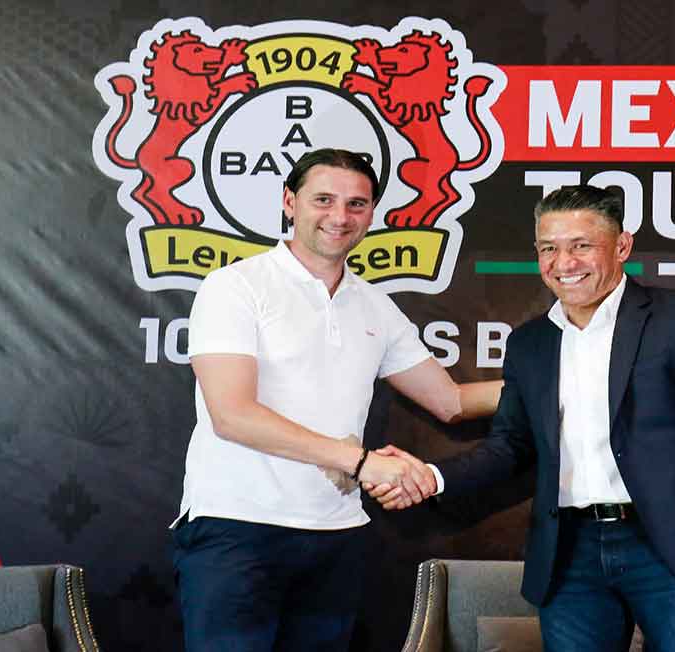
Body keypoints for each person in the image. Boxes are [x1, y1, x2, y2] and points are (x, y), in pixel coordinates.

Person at [367, 185, 675, 651]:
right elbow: (510, 447)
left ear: (622, 247)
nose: (564, 263)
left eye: (581, 245)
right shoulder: (530, 344)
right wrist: (430, 477)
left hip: (673, 550)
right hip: (568, 554)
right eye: (549, 249)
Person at [170, 148, 501, 652]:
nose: (339, 217)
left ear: (371, 214)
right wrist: (361, 462)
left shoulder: (374, 305)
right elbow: (232, 415)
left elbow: (450, 400)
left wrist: (569, 379)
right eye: (323, 199)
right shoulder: (235, 286)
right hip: (236, 531)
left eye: (356, 204)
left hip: (337, 534)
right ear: (289, 201)